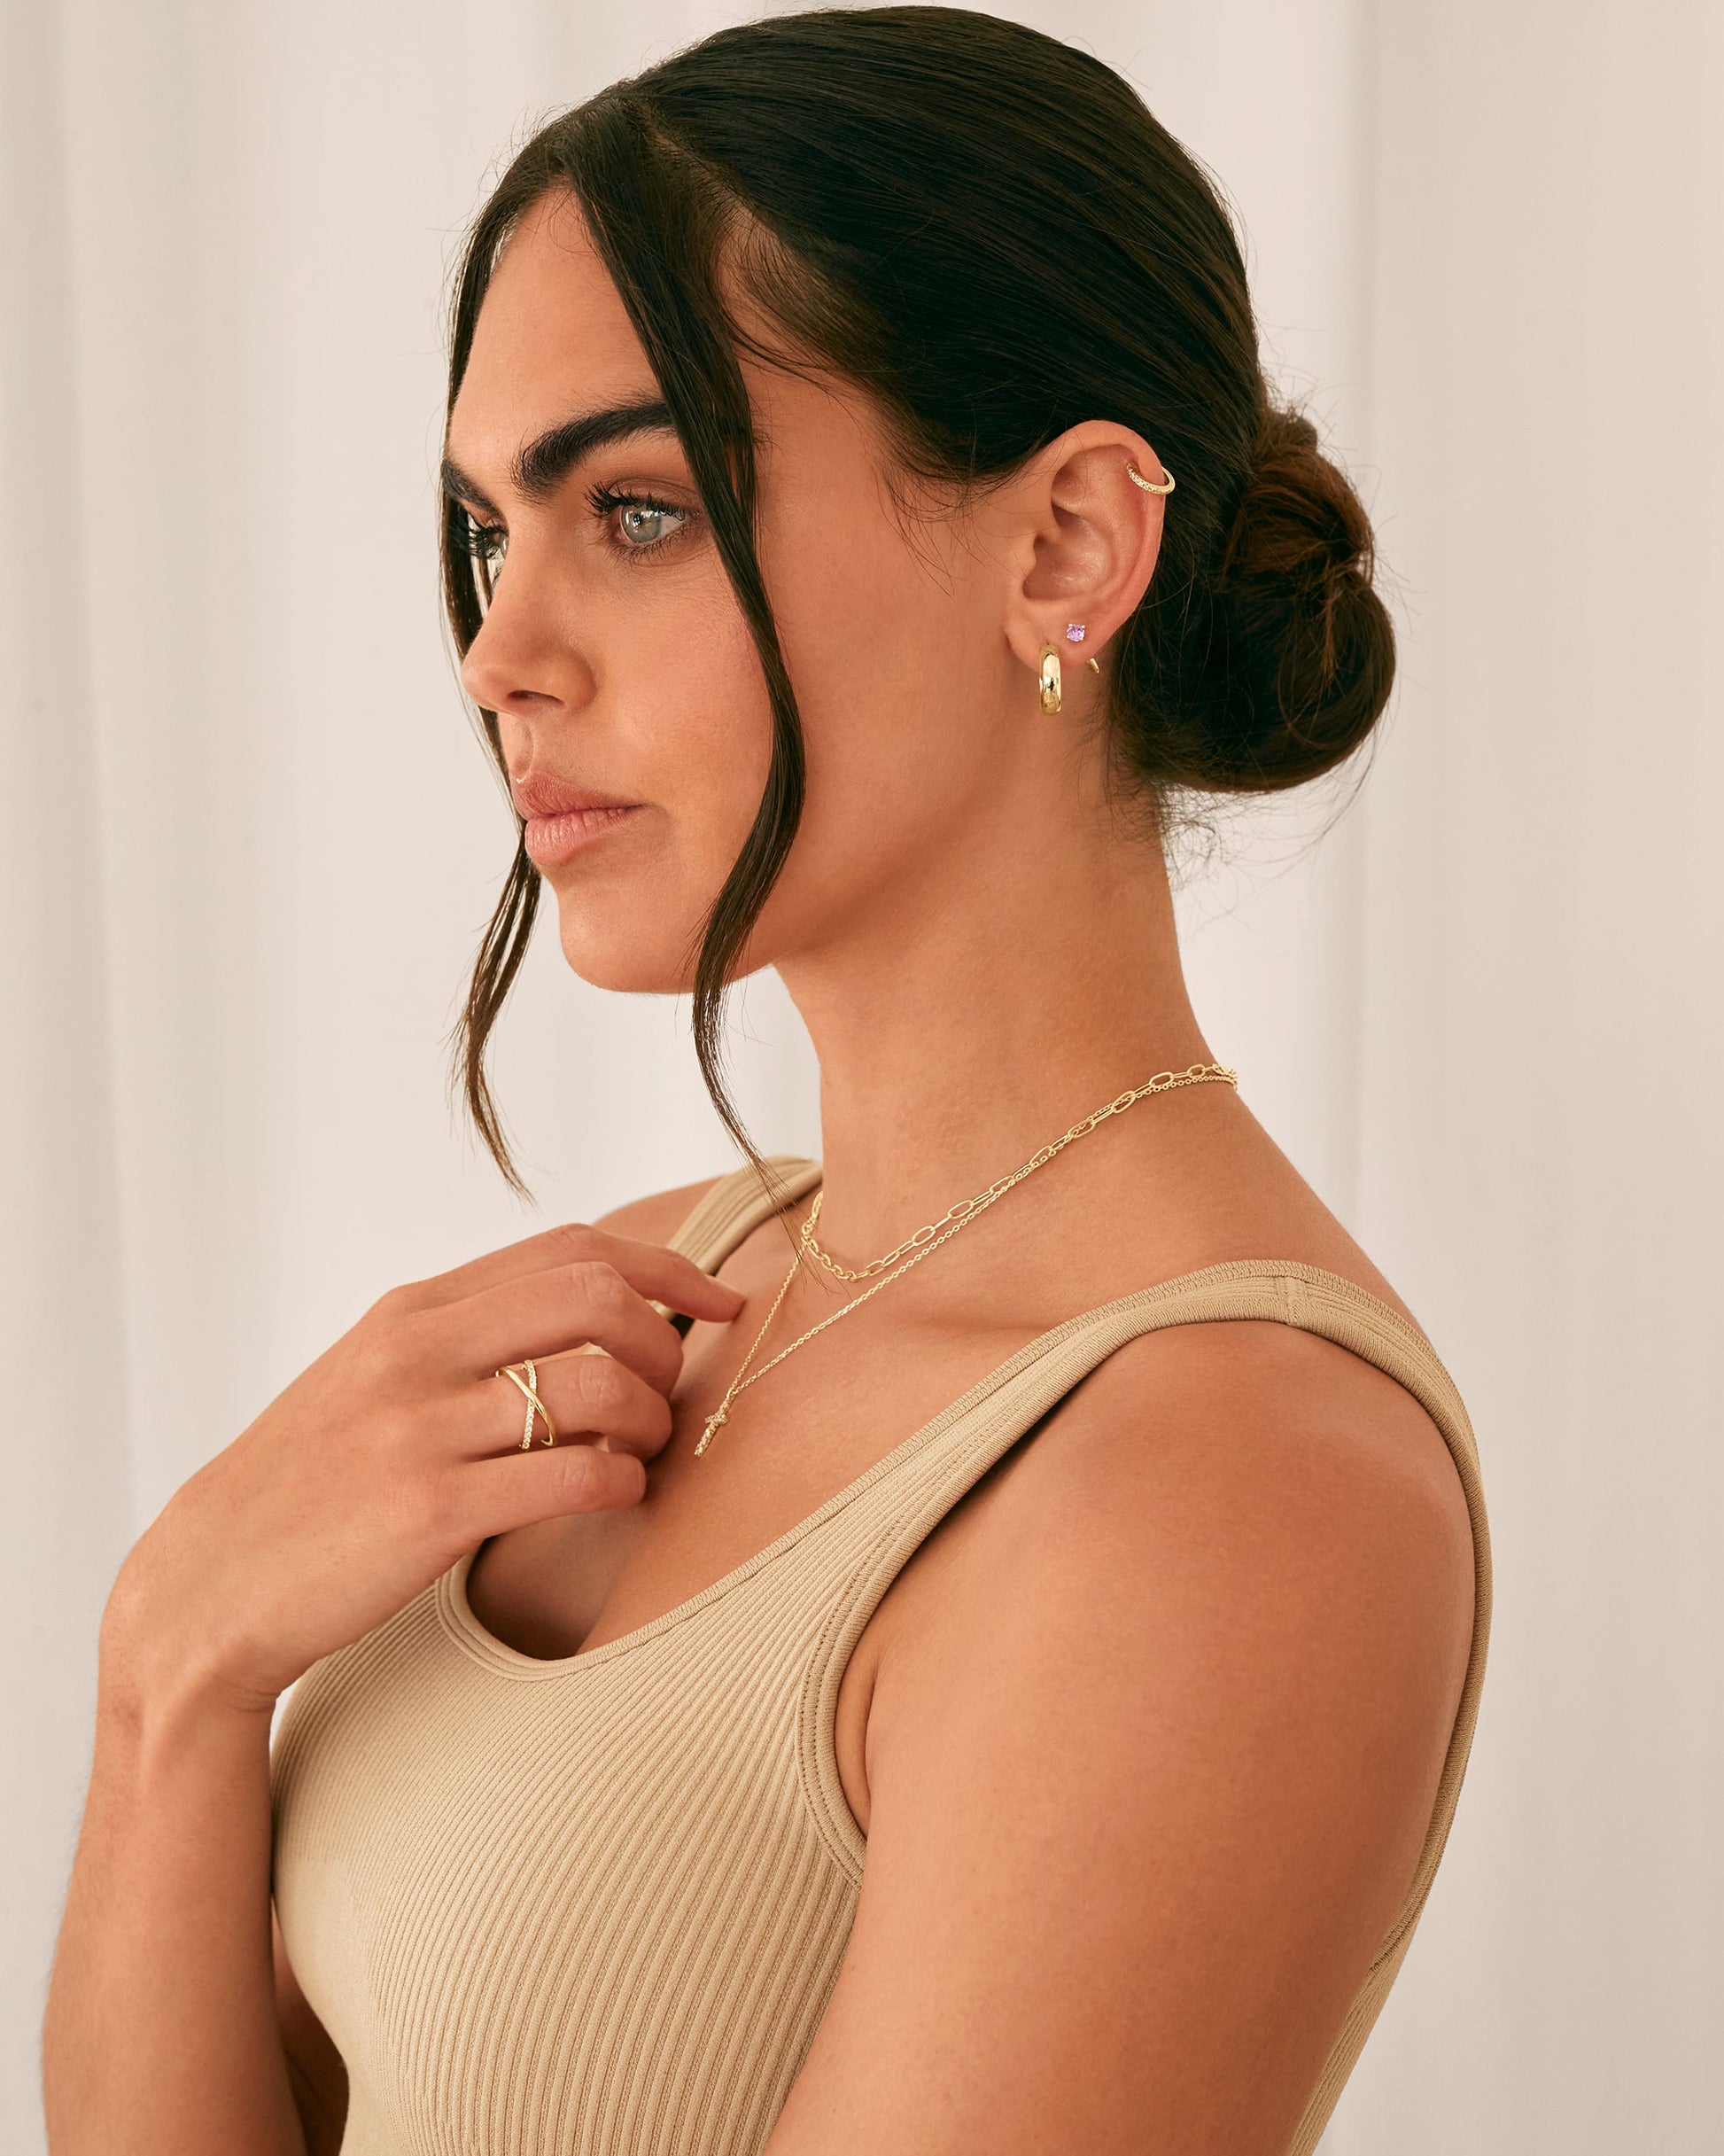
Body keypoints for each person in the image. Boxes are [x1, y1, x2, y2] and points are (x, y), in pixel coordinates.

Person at [43, 10, 1490, 2153]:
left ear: (1067, 545)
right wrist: (169, 1668)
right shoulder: (648, 1301)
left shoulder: (1229, 1475)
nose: (497, 651)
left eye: (635, 509)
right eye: (486, 532)